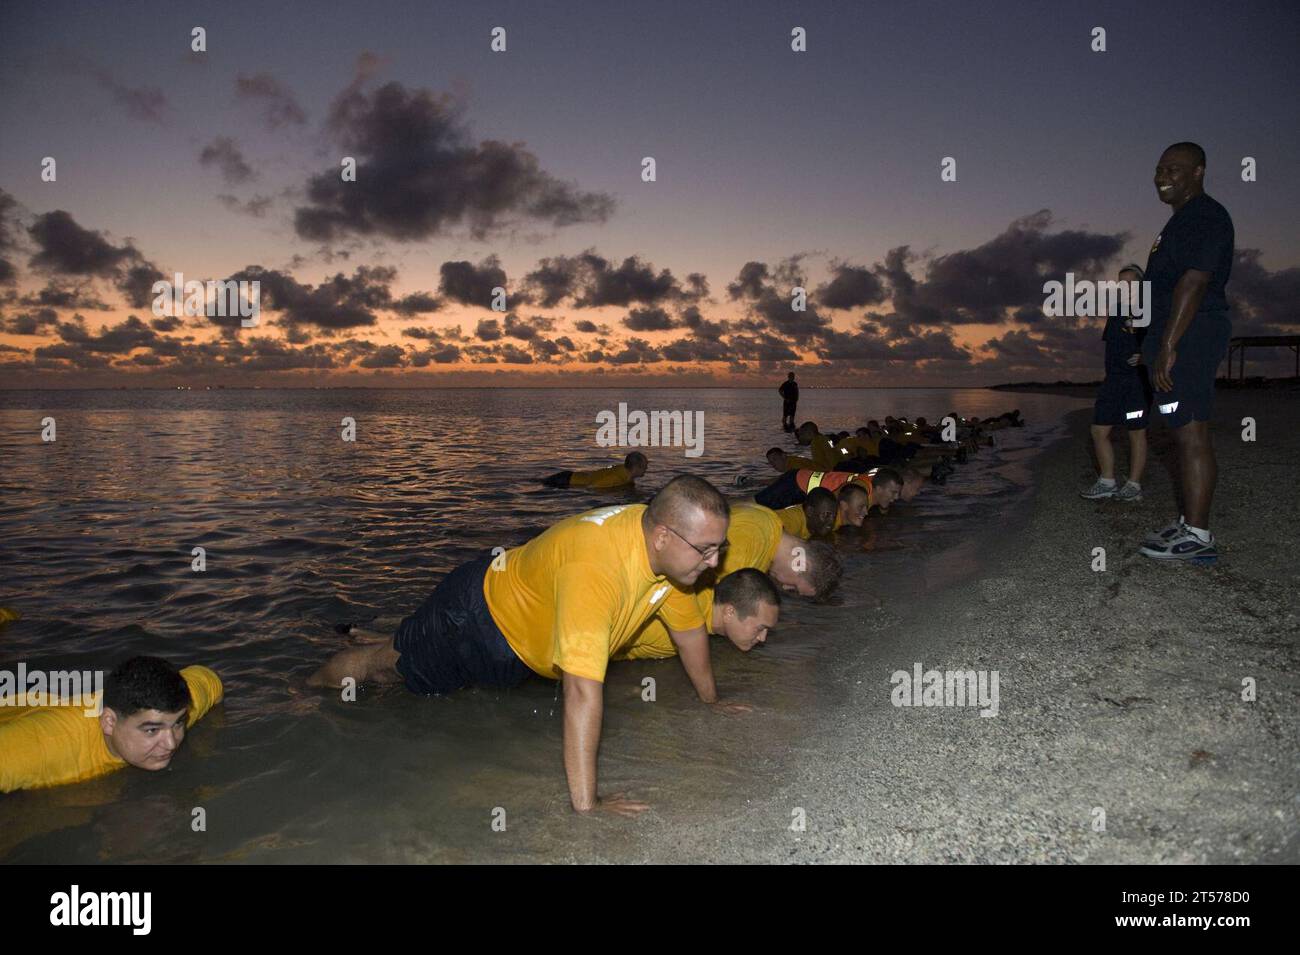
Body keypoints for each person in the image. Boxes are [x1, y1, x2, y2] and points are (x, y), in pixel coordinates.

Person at [309, 475, 731, 816]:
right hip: (473, 620)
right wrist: (588, 806)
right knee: (384, 667)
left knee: (420, 676)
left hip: (514, 642)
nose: (715, 562)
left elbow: (688, 631)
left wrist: (711, 702)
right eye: (707, 550)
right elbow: (582, 691)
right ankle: (303, 691)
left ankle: (394, 630)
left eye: (720, 548)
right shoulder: (598, 569)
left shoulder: (678, 565)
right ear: (661, 536)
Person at [1138, 142, 1234, 562]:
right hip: (1174, 336)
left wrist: (1169, 345)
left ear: (1199, 172)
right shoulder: (1177, 224)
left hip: (1191, 336)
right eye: (1160, 168)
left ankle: (1197, 536)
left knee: (1192, 430)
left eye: (1175, 168)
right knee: (1180, 430)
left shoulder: (1205, 216)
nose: (1163, 175)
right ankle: (1187, 522)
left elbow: (1194, 283)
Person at [0, 656, 223, 793]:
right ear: (109, 722)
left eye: (178, 724)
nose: (171, 743)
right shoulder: (40, 746)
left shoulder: (178, 710)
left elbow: (208, 678)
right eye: (152, 730)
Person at [1081, 265, 1152, 502]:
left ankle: (1134, 485)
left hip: (1135, 382)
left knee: (1136, 432)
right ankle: (1107, 481)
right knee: (1098, 430)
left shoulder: (1149, 309)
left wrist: (1146, 356)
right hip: (1112, 381)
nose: (1125, 287)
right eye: (1121, 283)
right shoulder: (1117, 310)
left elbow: (1163, 340)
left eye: (1130, 282)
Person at [615, 568, 780, 664]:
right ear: (729, 611)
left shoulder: (700, 593)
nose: (763, 638)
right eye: (761, 628)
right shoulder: (671, 624)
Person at [753, 466, 902, 517]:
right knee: (756, 505)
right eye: (893, 493)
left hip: (806, 488)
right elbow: (836, 500)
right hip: (797, 483)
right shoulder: (860, 492)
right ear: (879, 488)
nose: (896, 498)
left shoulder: (872, 485)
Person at [542, 451, 647, 489]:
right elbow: (593, 486)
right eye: (644, 466)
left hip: (569, 477)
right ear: (636, 467)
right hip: (566, 481)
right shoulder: (617, 477)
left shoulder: (625, 471)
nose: (646, 469)